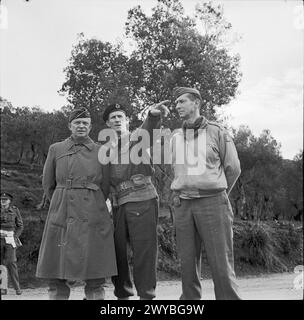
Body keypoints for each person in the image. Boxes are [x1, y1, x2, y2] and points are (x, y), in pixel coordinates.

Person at [36, 107, 117, 300]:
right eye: (77, 123)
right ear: (69, 126)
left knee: (95, 274)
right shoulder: (56, 149)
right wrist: (61, 200)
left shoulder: (102, 150)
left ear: (90, 127)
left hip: (93, 213)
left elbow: (105, 185)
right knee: (56, 275)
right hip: (62, 212)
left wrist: (92, 201)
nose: (81, 126)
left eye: (85, 123)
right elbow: (48, 184)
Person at [169, 87, 241, 300]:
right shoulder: (175, 137)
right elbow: (175, 168)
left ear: (196, 103)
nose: (177, 106)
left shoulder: (218, 132)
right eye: (176, 103)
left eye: (182, 102)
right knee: (187, 263)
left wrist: (219, 192)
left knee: (221, 262)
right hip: (183, 204)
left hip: (212, 202)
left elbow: (233, 168)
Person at [100, 101, 169, 300]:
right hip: (118, 204)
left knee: (144, 251)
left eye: (120, 116)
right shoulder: (105, 150)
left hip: (143, 198)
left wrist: (153, 115)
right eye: (112, 118)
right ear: (107, 125)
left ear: (127, 121)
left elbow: (148, 128)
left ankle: (146, 296)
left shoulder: (137, 137)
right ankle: (123, 295)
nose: (116, 120)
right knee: (117, 252)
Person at [0, 191, 23, 295]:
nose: (2, 202)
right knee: (1, 264)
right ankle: (3, 288)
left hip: (10, 239)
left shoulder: (14, 210)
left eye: (5, 200)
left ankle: (17, 288)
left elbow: (20, 225)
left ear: (9, 201)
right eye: (1, 200)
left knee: (11, 262)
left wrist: (15, 237)